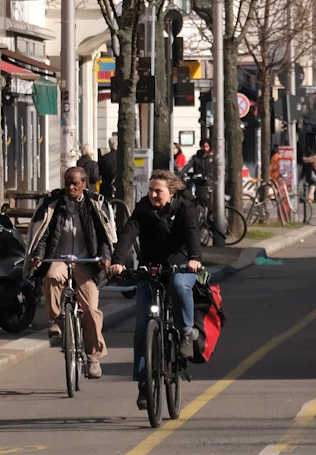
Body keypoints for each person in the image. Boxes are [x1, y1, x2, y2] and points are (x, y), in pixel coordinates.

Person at [107, 171, 204, 407]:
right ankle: (144, 384)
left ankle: (185, 333)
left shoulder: (185, 207)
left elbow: (192, 232)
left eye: (157, 190)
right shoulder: (143, 207)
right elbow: (129, 232)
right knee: (142, 328)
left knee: (181, 288)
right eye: (150, 189)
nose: (152, 194)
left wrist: (194, 258)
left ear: (170, 192)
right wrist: (118, 261)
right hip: (150, 268)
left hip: (180, 266)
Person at [26, 166, 116, 379]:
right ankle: (56, 320)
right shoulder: (53, 204)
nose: (71, 187)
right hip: (58, 259)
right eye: (67, 182)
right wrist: (38, 257)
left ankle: (93, 357)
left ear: (85, 184)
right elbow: (44, 235)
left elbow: (104, 237)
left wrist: (105, 258)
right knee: (51, 278)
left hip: (86, 262)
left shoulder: (94, 205)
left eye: (75, 183)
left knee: (92, 311)